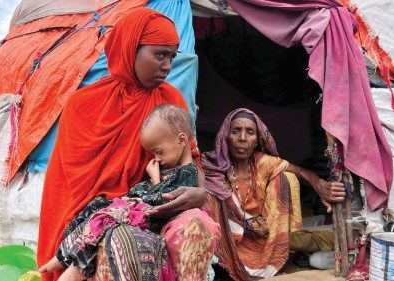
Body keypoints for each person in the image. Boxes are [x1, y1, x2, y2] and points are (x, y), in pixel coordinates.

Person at [37, 8, 219, 281]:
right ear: (130, 49)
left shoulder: (171, 100)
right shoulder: (83, 104)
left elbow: (189, 159)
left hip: (158, 208)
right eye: (159, 55)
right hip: (99, 216)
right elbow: (72, 188)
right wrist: (122, 209)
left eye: (172, 56)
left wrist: (198, 193)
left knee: (199, 225)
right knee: (125, 241)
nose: (168, 66)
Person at [39, 104, 199, 280]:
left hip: (145, 217)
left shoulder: (189, 172)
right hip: (134, 209)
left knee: (104, 219)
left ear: (182, 140)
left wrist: (155, 181)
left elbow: (163, 201)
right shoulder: (171, 167)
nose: (157, 159)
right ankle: (64, 254)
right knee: (96, 205)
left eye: (159, 152)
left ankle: (69, 263)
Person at [201, 108, 346, 280]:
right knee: (209, 193)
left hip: (263, 234)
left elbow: (301, 171)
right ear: (226, 136)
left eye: (250, 132)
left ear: (257, 140)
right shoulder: (211, 165)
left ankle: (276, 257)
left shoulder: (262, 163)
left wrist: (319, 184)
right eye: (236, 131)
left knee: (286, 177)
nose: (242, 138)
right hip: (227, 239)